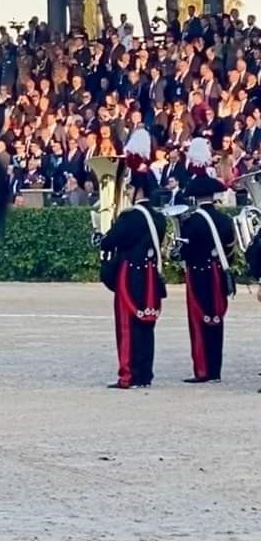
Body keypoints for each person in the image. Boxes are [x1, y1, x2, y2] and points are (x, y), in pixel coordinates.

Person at [100, 129, 166, 389]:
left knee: (127, 326)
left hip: (130, 274)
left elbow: (110, 241)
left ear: (137, 189)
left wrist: (104, 232)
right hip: (150, 274)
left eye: (129, 187)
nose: (127, 190)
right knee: (146, 328)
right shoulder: (158, 218)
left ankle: (128, 374)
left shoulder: (130, 217)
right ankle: (144, 374)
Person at [178, 138, 235, 383]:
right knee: (216, 322)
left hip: (199, 274)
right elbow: (230, 250)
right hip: (218, 273)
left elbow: (186, 254)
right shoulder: (224, 220)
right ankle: (216, 369)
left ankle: (202, 369)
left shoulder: (191, 222)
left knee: (199, 322)